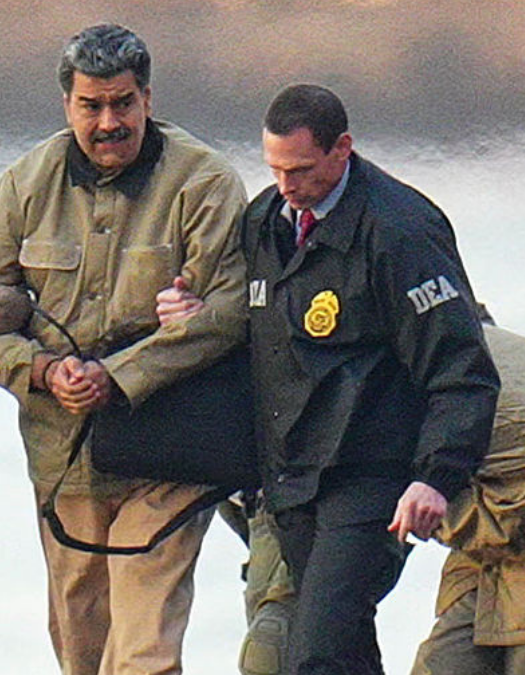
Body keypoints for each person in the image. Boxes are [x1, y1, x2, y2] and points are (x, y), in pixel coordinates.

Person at [161, 83, 499, 674]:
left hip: (373, 477)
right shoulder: (265, 221)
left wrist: (435, 477)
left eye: (300, 170)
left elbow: (462, 369)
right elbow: (253, 332)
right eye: (275, 169)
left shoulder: (399, 231)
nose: (286, 186)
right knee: (343, 651)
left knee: (314, 652)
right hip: (291, 477)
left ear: (342, 149)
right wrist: (198, 317)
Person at [0, 24, 249, 674]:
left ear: (148, 98)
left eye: (123, 103)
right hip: (65, 462)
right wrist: (41, 370)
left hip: (171, 454)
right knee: (82, 654)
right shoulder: (23, 186)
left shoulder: (205, 183)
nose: (109, 122)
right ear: (67, 104)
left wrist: (117, 376)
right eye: (92, 106)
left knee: (144, 654)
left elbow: (229, 314)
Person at [411, 318, 525, 674]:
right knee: (443, 662)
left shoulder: (486, 393)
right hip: (491, 540)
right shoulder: (441, 339)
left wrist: (424, 509)